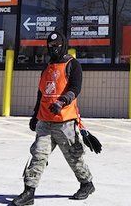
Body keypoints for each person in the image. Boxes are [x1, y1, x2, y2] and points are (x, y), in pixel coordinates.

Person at [10, 31, 94, 205]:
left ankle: (87, 184)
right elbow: (41, 93)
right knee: (38, 155)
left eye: (56, 46)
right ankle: (29, 192)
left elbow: (75, 88)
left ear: (63, 45)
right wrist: (35, 115)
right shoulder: (47, 67)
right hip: (45, 122)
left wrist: (62, 101)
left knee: (74, 156)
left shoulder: (73, 65)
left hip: (65, 122)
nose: (53, 49)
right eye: (50, 46)